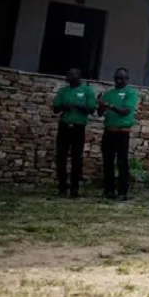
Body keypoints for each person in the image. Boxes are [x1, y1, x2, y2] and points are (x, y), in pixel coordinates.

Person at [51, 68, 96, 198]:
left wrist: (79, 106)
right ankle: (62, 187)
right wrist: (63, 107)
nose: (69, 77)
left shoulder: (87, 90)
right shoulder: (63, 91)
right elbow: (55, 108)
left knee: (77, 158)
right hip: (64, 126)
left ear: (78, 77)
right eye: (68, 75)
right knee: (61, 157)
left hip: (78, 127)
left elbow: (91, 109)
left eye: (72, 75)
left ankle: (74, 189)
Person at [97, 67, 138, 201]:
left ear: (127, 79)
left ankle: (122, 192)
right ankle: (109, 190)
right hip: (109, 131)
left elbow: (125, 111)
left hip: (122, 132)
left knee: (121, 162)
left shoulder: (130, 93)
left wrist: (109, 105)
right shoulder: (109, 93)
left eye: (121, 78)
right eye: (116, 78)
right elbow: (100, 113)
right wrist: (101, 106)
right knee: (107, 162)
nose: (118, 81)